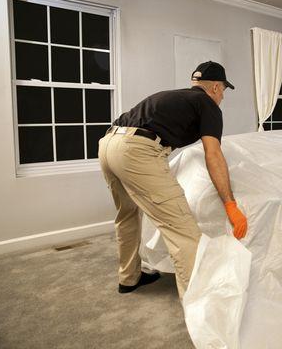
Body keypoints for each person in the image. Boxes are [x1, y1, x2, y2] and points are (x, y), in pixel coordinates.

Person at [98, 60, 248, 299]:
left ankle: (129, 278)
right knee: (183, 231)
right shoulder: (207, 104)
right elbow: (213, 153)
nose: (222, 98)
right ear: (216, 88)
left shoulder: (174, 97)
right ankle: (197, 304)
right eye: (223, 92)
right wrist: (230, 203)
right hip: (135, 150)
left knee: (126, 216)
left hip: (108, 143)